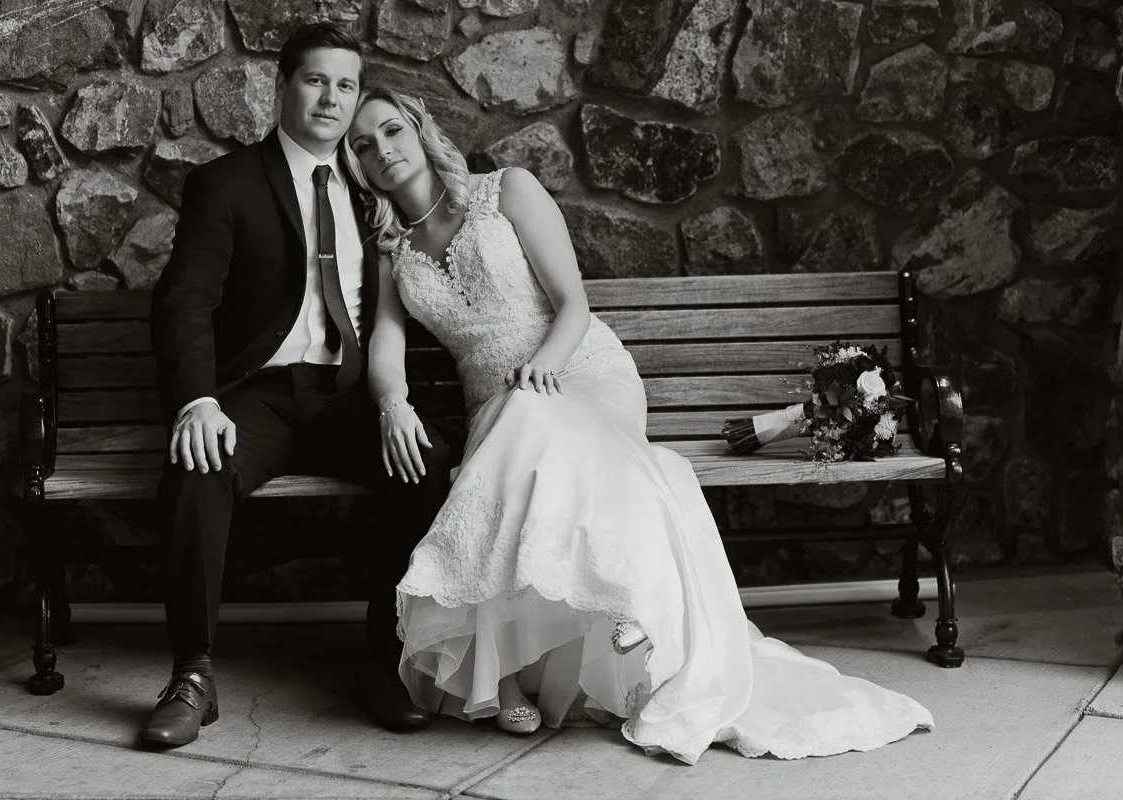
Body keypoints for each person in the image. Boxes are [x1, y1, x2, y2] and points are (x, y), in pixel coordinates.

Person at [343, 88, 934, 765]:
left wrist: (543, 368)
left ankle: (624, 601)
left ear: (419, 131)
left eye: (391, 130)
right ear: (357, 165)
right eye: (363, 145)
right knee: (523, 433)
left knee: (542, 424)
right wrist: (393, 403)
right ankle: (508, 672)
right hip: (499, 407)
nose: (382, 150)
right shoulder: (392, 251)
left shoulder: (507, 190)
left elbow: (572, 304)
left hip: (582, 370)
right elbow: (385, 352)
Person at [143, 25, 455, 748]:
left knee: (428, 463)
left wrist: (394, 403)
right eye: (316, 80)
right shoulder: (225, 184)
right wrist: (197, 401)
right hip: (255, 395)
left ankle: (385, 661)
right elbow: (184, 302)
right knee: (197, 465)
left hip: (346, 393)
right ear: (282, 86)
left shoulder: (372, 183)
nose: (332, 97)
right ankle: (192, 674)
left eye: (346, 85)